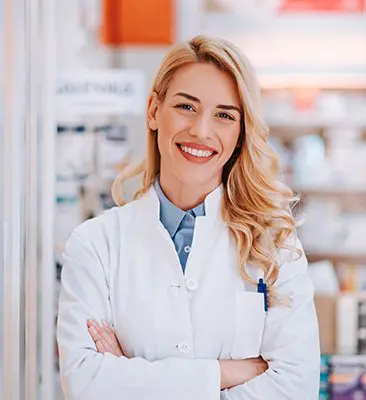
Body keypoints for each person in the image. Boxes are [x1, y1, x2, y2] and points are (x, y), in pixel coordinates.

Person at [57, 35, 320, 400]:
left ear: (241, 134)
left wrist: (128, 377)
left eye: (225, 115)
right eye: (186, 107)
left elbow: (296, 387)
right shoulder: (95, 245)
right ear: (153, 110)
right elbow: (85, 384)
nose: (201, 130)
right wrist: (225, 373)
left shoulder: (275, 243)